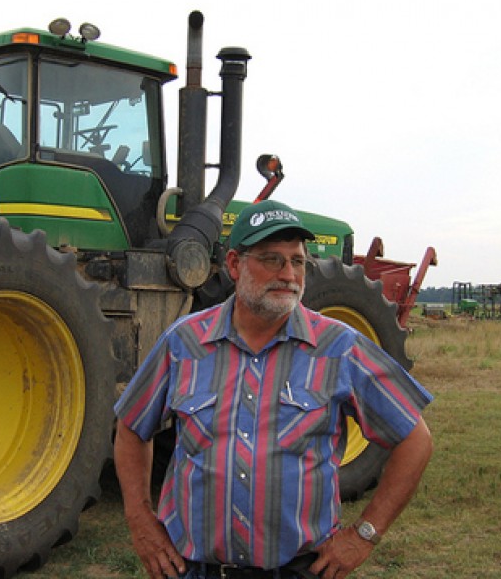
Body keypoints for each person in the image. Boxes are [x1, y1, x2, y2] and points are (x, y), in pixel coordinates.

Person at [114, 199, 433, 579]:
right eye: (271, 260)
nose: (288, 274)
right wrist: (139, 519)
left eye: (297, 261)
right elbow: (132, 427)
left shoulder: (339, 348)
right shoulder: (184, 343)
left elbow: (416, 440)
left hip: (299, 570)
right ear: (234, 264)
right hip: (193, 569)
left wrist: (364, 534)